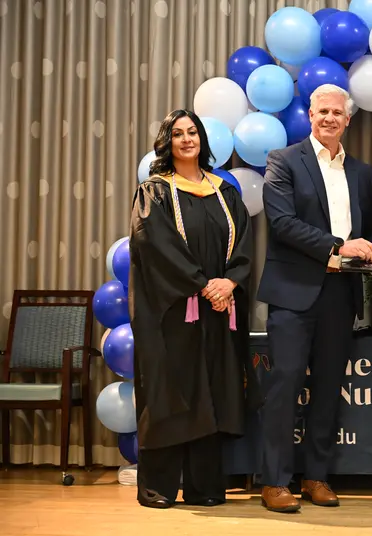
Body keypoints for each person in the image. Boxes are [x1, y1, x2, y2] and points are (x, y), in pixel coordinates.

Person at [257, 84, 372, 513]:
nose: (329, 118)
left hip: (341, 293)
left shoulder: (361, 172)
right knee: (285, 385)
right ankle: (275, 481)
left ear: (348, 120)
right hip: (293, 292)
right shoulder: (283, 160)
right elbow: (282, 222)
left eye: (337, 113)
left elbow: (369, 231)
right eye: (322, 111)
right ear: (310, 116)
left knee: (328, 389)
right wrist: (339, 245)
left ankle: (315, 477)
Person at [129, 109, 257, 509]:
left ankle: (205, 486)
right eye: (178, 134)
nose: (187, 139)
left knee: (212, 391)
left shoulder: (225, 191)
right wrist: (202, 284)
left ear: (202, 139)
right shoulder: (155, 192)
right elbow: (155, 246)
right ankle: (158, 486)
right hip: (172, 313)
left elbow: (244, 244)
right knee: (172, 390)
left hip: (217, 311)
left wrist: (229, 282)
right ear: (167, 143)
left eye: (193, 132)